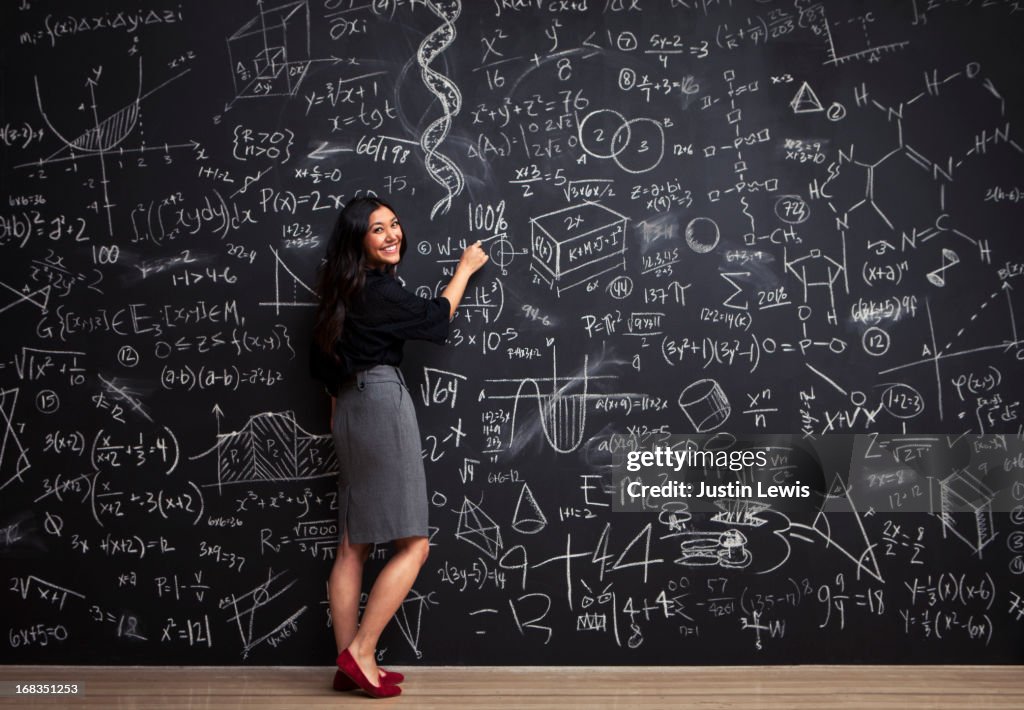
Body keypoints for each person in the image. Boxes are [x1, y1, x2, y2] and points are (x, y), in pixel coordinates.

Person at [309, 196, 488, 698]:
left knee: (352, 545)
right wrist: (465, 270)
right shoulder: (378, 291)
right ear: (357, 242)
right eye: (377, 230)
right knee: (415, 543)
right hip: (381, 402)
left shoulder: (341, 291)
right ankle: (362, 651)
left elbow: (322, 370)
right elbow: (435, 320)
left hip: (346, 408)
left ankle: (348, 667)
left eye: (393, 225)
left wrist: (344, 415)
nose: (391, 235)